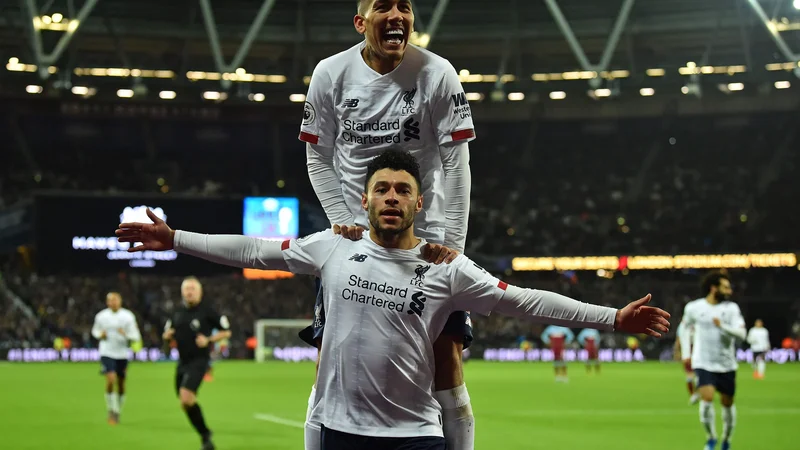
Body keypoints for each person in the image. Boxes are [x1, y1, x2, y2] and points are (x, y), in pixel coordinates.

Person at [116, 149, 671, 450]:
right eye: (381, 188)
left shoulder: (446, 269)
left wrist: (611, 318)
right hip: (337, 432)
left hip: (414, 438)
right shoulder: (331, 246)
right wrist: (175, 239)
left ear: (418, 203)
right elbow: (255, 249)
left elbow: (524, 301)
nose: (391, 197)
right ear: (365, 198)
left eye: (402, 190)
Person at [299, 0, 477, 448]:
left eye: (406, 6)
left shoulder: (438, 73)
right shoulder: (330, 74)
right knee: (330, 363)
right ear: (361, 22)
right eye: (384, 6)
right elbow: (317, 155)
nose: (397, 14)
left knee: (446, 360)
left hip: (427, 240)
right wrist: (342, 222)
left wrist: (451, 242)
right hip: (357, 239)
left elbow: (457, 163)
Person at [162, 276, 232, 450]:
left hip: (199, 361)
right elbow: (167, 339)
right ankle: (205, 434)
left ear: (199, 292)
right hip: (182, 362)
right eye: (187, 289)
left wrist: (208, 339)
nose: (189, 292)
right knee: (185, 402)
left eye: (193, 289)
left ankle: (205, 436)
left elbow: (226, 332)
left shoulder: (208, 311)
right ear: (182, 292)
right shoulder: (176, 313)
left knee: (186, 398)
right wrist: (166, 339)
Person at [679, 271, 745, 450]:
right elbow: (684, 329)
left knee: (727, 403)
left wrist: (722, 326)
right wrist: (686, 353)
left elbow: (741, 334)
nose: (729, 291)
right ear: (713, 288)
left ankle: (726, 438)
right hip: (703, 362)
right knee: (706, 399)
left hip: (726, 364)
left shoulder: (731, 309)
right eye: (725, 287)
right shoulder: (694, 308)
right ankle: (710, 437)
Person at [91, 291, 141, 425]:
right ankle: (111, 409)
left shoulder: (128, 316)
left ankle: (117, 410)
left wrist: (125, 334)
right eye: (110, 300)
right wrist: (100, 335)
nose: (113, 302)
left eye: (115, 300)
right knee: (110, 378)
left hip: (122, 353)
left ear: (120, 301)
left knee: (121, 383)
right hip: (106, 352)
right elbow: (95, 331)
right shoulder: (101, 316)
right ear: (107, 302)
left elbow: (136, 336)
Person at [676, 318, 699, 404]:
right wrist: (677, 351)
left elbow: (678, 339)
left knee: (691, 375)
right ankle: (694, 394)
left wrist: (677, 351)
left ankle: (694, 394)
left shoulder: (683, 325)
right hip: (691, 352)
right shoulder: (696, 324)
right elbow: (678, 339)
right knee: (692, 375)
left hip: (691, 352)